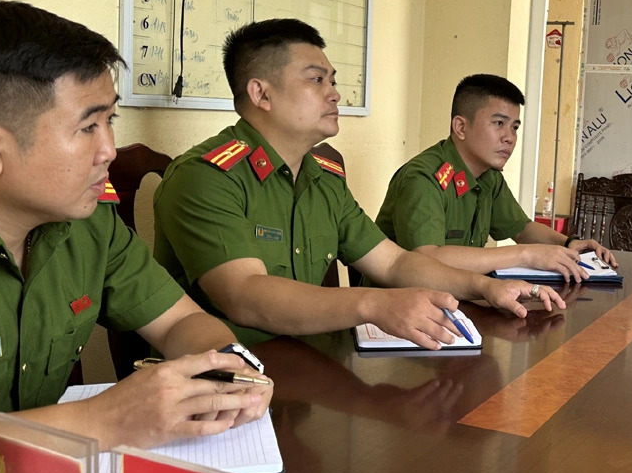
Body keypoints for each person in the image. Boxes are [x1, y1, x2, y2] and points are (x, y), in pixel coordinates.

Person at [0, 0, 271, 450]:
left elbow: (179, 323)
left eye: (109, 119)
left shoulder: (90, 222)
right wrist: (104, 419)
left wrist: (223, 370)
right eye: (87, 127)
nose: (109, 150)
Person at [152, 20, 564, 350]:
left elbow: (395, 263)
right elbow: (244, 294)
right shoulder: (206, 176)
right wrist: (373, 304)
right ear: (261, 93)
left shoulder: (322, 178)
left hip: (314, 363)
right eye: (317, 81)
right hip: (237, 378)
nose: (335, 94)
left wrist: (488, 287)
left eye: (332, 80)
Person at [375, 73, 615, 282]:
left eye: (514, 127)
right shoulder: (424, 178)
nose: (509, 137)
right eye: (499, 123)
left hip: (456, 298)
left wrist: (568, 243)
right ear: (460, 127)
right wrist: (526, 255)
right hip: (398, 312)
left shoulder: (488, 176)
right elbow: (426, 258)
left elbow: (521, 229)